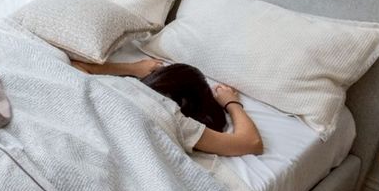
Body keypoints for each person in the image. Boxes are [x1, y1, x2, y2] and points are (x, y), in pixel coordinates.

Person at [72, 59, 264, 156]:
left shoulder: (117, 85)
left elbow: (79, 67)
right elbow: (251, 142)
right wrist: (231, 103)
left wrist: (132, 68)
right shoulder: (174, 118)